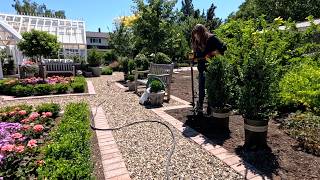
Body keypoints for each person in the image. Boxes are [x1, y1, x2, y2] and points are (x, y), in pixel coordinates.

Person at [191, 24, 227, 115]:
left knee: (211, 88)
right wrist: (192, 57)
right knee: (201, 88)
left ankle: (210, 109)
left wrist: (211, 54)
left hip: (211, 68)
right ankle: (200, 106)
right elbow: (197, 55)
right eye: (195, 36)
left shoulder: (212, 38)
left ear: (202, 33)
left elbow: (223, 47)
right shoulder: (197, 41)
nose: (197, 38)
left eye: (198, 35)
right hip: (201, 68)